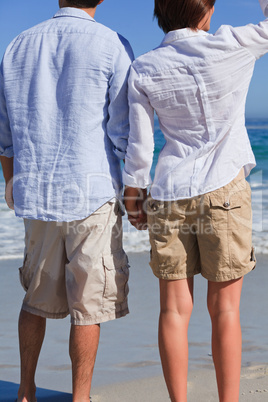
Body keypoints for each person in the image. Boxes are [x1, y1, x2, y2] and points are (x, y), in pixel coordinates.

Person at [123, 0, 268, 401]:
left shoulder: (144, 67)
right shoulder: (233, 44)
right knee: (225, 309)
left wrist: (134, 191)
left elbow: (141, 143)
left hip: (170, 192)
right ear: (206, 11)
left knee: (173, 309)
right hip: (224, 189)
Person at [0, 0, 134, 401]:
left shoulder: (18, 45)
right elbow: (123, 131)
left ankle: (25, 390)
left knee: (35, 298)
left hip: (37, 191)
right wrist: (134, 189)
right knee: (88, 304)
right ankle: (81, 396)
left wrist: (12, 185)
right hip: (92, 193)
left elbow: (4, 134)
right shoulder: (112, 43)